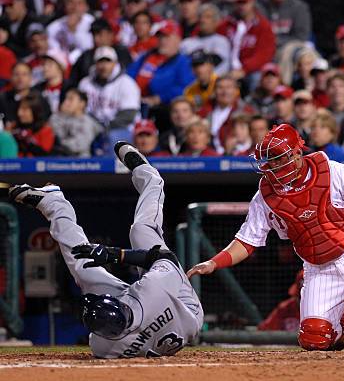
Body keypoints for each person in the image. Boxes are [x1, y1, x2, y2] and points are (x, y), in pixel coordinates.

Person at [185, 123, 344, 350]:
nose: (271, 166)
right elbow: (246, 241)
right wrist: (214, 263)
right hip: (319, 267)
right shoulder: (264, 196)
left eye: (277, 158)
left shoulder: (333, 171)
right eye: (268, 160)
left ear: (296, 153)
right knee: (314, 338)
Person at [9, 142, 203, 358]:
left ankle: (54, 204)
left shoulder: (103, 345)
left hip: (153, 321)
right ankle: (150, 177)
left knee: (84, 269)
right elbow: (164, 256)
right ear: (119, 304)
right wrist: (116, 254)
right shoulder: (153, 289)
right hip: (185, 308)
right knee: (141, 229)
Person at [79, 46, 141, 153]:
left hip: (121, 128)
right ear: (95, 64)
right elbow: (81, 110)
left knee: (114, 138)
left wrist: (105, 127)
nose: (104, 66)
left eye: (107, 62)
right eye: (100, 62)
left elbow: (129, 115)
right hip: (93, 126)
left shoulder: (127, 83)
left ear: (115, 63)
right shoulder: (86, 83)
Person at [127, 19, 194, 108]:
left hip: (165, 108)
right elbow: (129, 74)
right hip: (135, 101)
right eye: (160, 37)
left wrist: (159, 98)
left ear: (178, 39)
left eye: (166, 37)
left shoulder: (183, 62)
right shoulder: (148, 56)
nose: (162, 41)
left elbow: (185, 88)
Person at [217, 0, 275, 89]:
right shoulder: (226, 24)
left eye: (244, 2)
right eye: (238, 3)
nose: (241, 6)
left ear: (252, 2)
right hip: (227, 67)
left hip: (250, 70)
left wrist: (244, 69)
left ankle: (253, 101)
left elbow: (264, 54)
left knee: (256, 78)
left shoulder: (263, 25)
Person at [69, 18, 133, 87]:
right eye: (93, 35)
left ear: (110, 34)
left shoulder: (122, 53)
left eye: (100, 34)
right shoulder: (86, 56)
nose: (96, 39)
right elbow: (73, 80)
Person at [179, 3, 230, 75]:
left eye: (208, 17)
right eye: (200, 17)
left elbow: (215, 62)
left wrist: (192, 58)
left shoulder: (221, 41)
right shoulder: (186, 42)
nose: (203, 20)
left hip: (215, 82)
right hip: (191, 83)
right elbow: (180, 65)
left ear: (216, 22)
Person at [50, 88, 102, 157]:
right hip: (63, 160)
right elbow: (52, 130)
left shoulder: (87, 121)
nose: (66, 102)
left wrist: (60, 144)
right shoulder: (61, 118)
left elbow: (80, 146)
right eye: (65, 99)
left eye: (70, 99)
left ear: (82, 103)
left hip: (82, 162)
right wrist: (60, 114)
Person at [45, 0, 94, 64]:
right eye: (71, 3)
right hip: (63, 64)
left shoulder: (92, 22)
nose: (75, 7)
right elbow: (53, 51)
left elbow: (88, 48)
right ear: (65, 6)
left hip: (87, 62)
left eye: (79, 3)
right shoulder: (53, 27)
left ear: (86, 6)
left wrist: (73, 32)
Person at [12, 92, 54, 156]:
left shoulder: (45, 130)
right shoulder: (14, 128)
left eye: (24, 110)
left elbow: (45, 156)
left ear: (35, 111)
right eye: (19, 109)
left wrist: (27, 141)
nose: (19, 113)